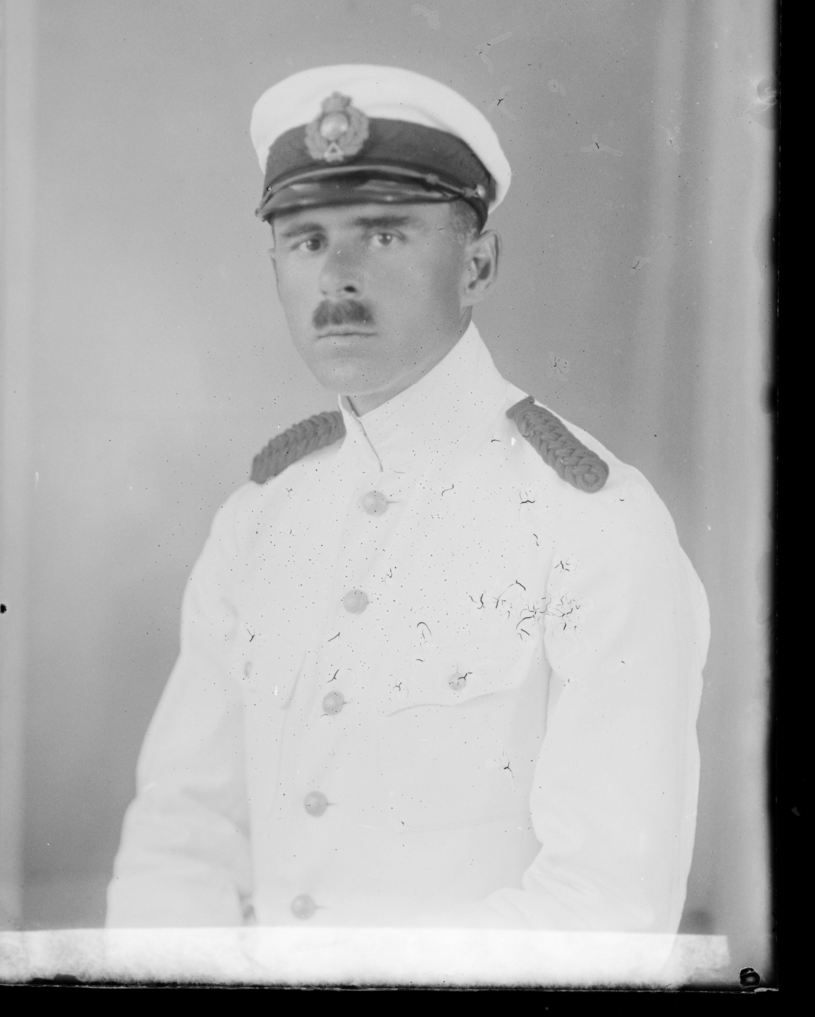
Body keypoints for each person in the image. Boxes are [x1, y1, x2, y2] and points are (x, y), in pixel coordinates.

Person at [106, 64, 710, 931]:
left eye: (384, 234)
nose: (337, 277)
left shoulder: (592, 521)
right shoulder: (261, 517)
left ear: (477, 265)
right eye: (306, 240)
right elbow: (183, 834)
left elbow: (608, 907)